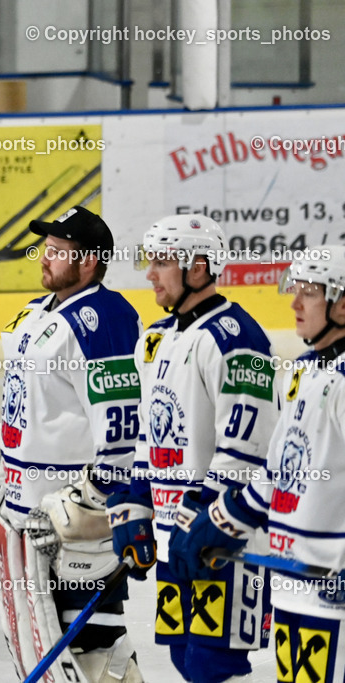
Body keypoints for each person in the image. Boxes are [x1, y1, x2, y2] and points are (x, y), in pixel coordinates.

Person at [108, 214, 277, 682]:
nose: (149, 274)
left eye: (161, 261)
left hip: (220, 538)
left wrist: (203, 517)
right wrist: (136, 503)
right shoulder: (158, 338)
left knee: (212, 665)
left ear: (197, 268)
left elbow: (249, 447)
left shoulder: (238, 338)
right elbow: (151, 433)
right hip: (175, 537)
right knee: (184, 657)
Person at [168, 245, 345, 683]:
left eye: (310, 293)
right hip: (293, 579)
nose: (295, 303)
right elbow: (279, 467)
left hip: (331, 586)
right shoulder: (304, 371)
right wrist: (224, 517)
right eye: (295, 290)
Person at [0, 206, 143, 682]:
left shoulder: (104, 317)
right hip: (24, 510)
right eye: (46, 248)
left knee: (92, 639)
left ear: (91, 262)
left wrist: (98, 497)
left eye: (60, 252)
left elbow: (121, 420)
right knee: (40, 641)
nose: (46, 258)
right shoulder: (36, 311)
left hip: (73, 515)